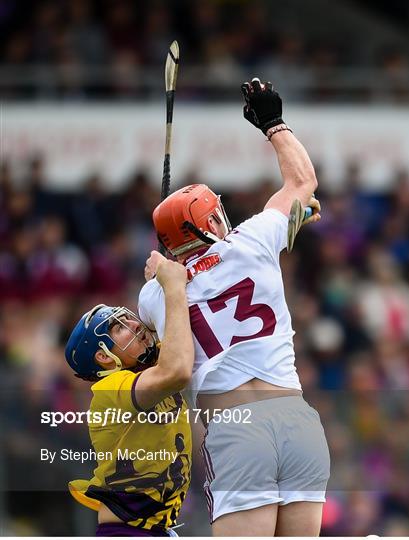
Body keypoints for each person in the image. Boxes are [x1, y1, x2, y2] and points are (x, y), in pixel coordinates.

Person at [138, 78, 330, 537]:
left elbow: (170, 305)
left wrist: (159, 274)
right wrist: (273, 123)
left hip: (236, 427)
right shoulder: (256, 238)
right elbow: (303, 181)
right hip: (297, 420)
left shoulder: (153, 295)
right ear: (213, 220)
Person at [64, 257, 194, 537]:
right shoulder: (110, 389)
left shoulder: (148, 367)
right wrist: (171, 287)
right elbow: (178, 370)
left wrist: (164, 271)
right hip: (126, 531)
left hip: (154, 529)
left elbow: (181, 327)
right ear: (103, 357)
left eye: (127, 319)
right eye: (119, 328)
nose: (135, 325)